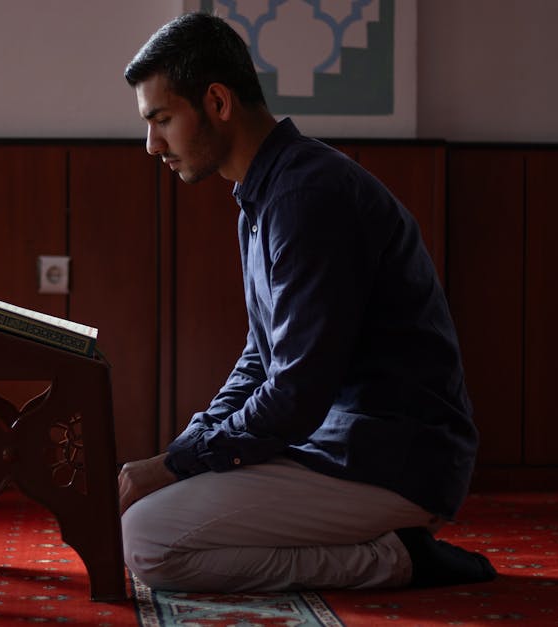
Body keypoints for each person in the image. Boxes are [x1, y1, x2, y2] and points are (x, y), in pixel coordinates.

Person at [118, 12, 496, 592]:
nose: (152, 145)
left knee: (148, 541)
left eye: (162, 119)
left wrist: (172, 467)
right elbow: (260, 359)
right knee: (154, 511)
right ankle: (385, 545)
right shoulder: (267, 193)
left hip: (389, 459)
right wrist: (186, 451)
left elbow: (296, 394)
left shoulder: (306, 195)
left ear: (217, 102)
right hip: (334, 446)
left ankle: (396, 559)